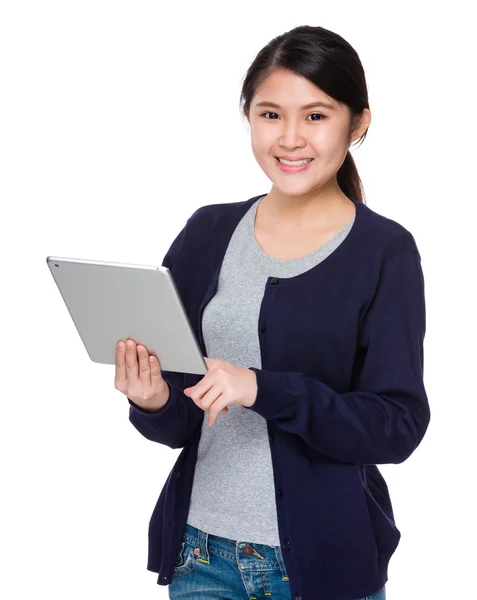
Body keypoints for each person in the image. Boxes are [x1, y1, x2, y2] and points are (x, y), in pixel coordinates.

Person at [115, 25, 430, 600]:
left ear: (357, 123)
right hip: (201, 555)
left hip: (321, 568)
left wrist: (263, 389)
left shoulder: (384, 251)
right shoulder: (209, 230)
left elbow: (398, 427)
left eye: (315, 115)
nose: (289, 138)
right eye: (269, 114)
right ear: (248, 118)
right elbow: (186, 417)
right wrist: (154, 397)